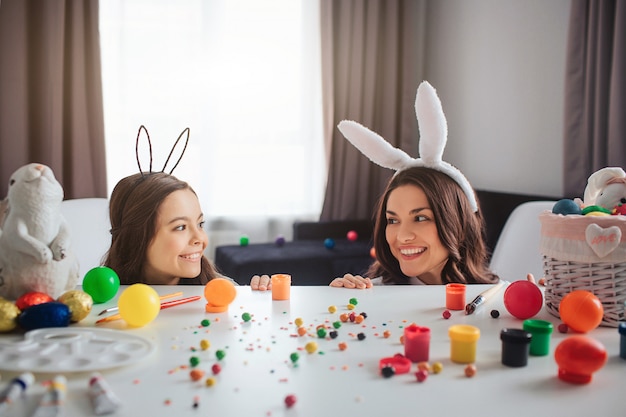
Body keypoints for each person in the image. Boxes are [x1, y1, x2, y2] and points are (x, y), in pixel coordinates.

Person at [329, 167, 498, 288]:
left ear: (458, 224)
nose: (402, 237)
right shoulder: (373, 294)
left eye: (420, 218)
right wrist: (338, 303)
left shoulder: (494, 296)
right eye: (393, 221)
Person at [104, 172, 224, 285]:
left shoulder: (230, 297)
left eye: (200, 224)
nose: (199, 238)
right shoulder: (95, 303)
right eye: (181, 227)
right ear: (135, 238)